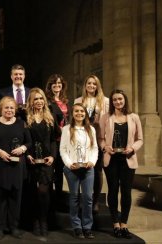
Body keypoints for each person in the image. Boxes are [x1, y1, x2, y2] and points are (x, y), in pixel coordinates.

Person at [0, 96, 32, 240]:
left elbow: (29, 142)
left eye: (11, 108)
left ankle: (14, 227)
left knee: (15, 198)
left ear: (15, 109)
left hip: (17, 166)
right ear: (1, 109)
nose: (9, 110)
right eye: (6, 107)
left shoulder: (21, 123)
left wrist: (23, 148)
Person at [99, 89, 143, 239]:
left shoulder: (134, 117)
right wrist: (105, 147)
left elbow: (140, 139)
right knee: (112, 190)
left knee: (126, 192)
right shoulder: (105, 117)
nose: (118, 102)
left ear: (125, 100)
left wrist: (132, 148)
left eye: (120, 99)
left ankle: (124, 224)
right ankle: (115, 224)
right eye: (115, 100)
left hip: (128, 159)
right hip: (111, 159)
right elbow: (100, 138)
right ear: (111, 102)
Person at [60, 103, 98, 239]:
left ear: (85, 113)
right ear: (72, 113)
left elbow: (95, 149)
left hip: (88, 168)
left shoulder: (91, 130)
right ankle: (77, 226)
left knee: (88, 197)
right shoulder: (66, 129)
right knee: (74, 197)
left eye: (82, 111)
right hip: (72, 169)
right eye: (76, 111)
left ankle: (87, 227)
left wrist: (92, 161)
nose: (79, 113)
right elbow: (63, 149)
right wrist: (70, 164)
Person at [74, 75, 109, 213]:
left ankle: (95, 202)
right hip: (81, 139)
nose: (91, 86)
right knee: (81, 169)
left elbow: (107, 121)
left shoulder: (104, 101)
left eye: (94, 84)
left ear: (97, 86)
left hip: (97, 139)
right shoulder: (78, 100)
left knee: (97, 170)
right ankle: (81, 200)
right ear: (85, 85)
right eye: (89, 83)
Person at [25, 88, 56, 236]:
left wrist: (53, 156)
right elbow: (23, 139)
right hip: (30, 159)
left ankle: (43, 220)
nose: (38, 101)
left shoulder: (50, 118)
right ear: (31, 101)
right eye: (35, 99)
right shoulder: (25, 118)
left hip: (46, 160)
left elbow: (54, 140)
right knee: (32, 192)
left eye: (41, 98)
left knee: (43, 191)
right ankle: (34, 221)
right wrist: (26, 155)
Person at [45, 74, 71, 207]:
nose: (57, 86)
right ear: (50, 86)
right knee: (51, 169)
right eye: (54, 83)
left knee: (60, 169)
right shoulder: (48, 101)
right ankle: (50, 199)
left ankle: (59, 197)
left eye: (59, 83)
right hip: (53, 139)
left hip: (64, 139)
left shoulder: (65, 101)